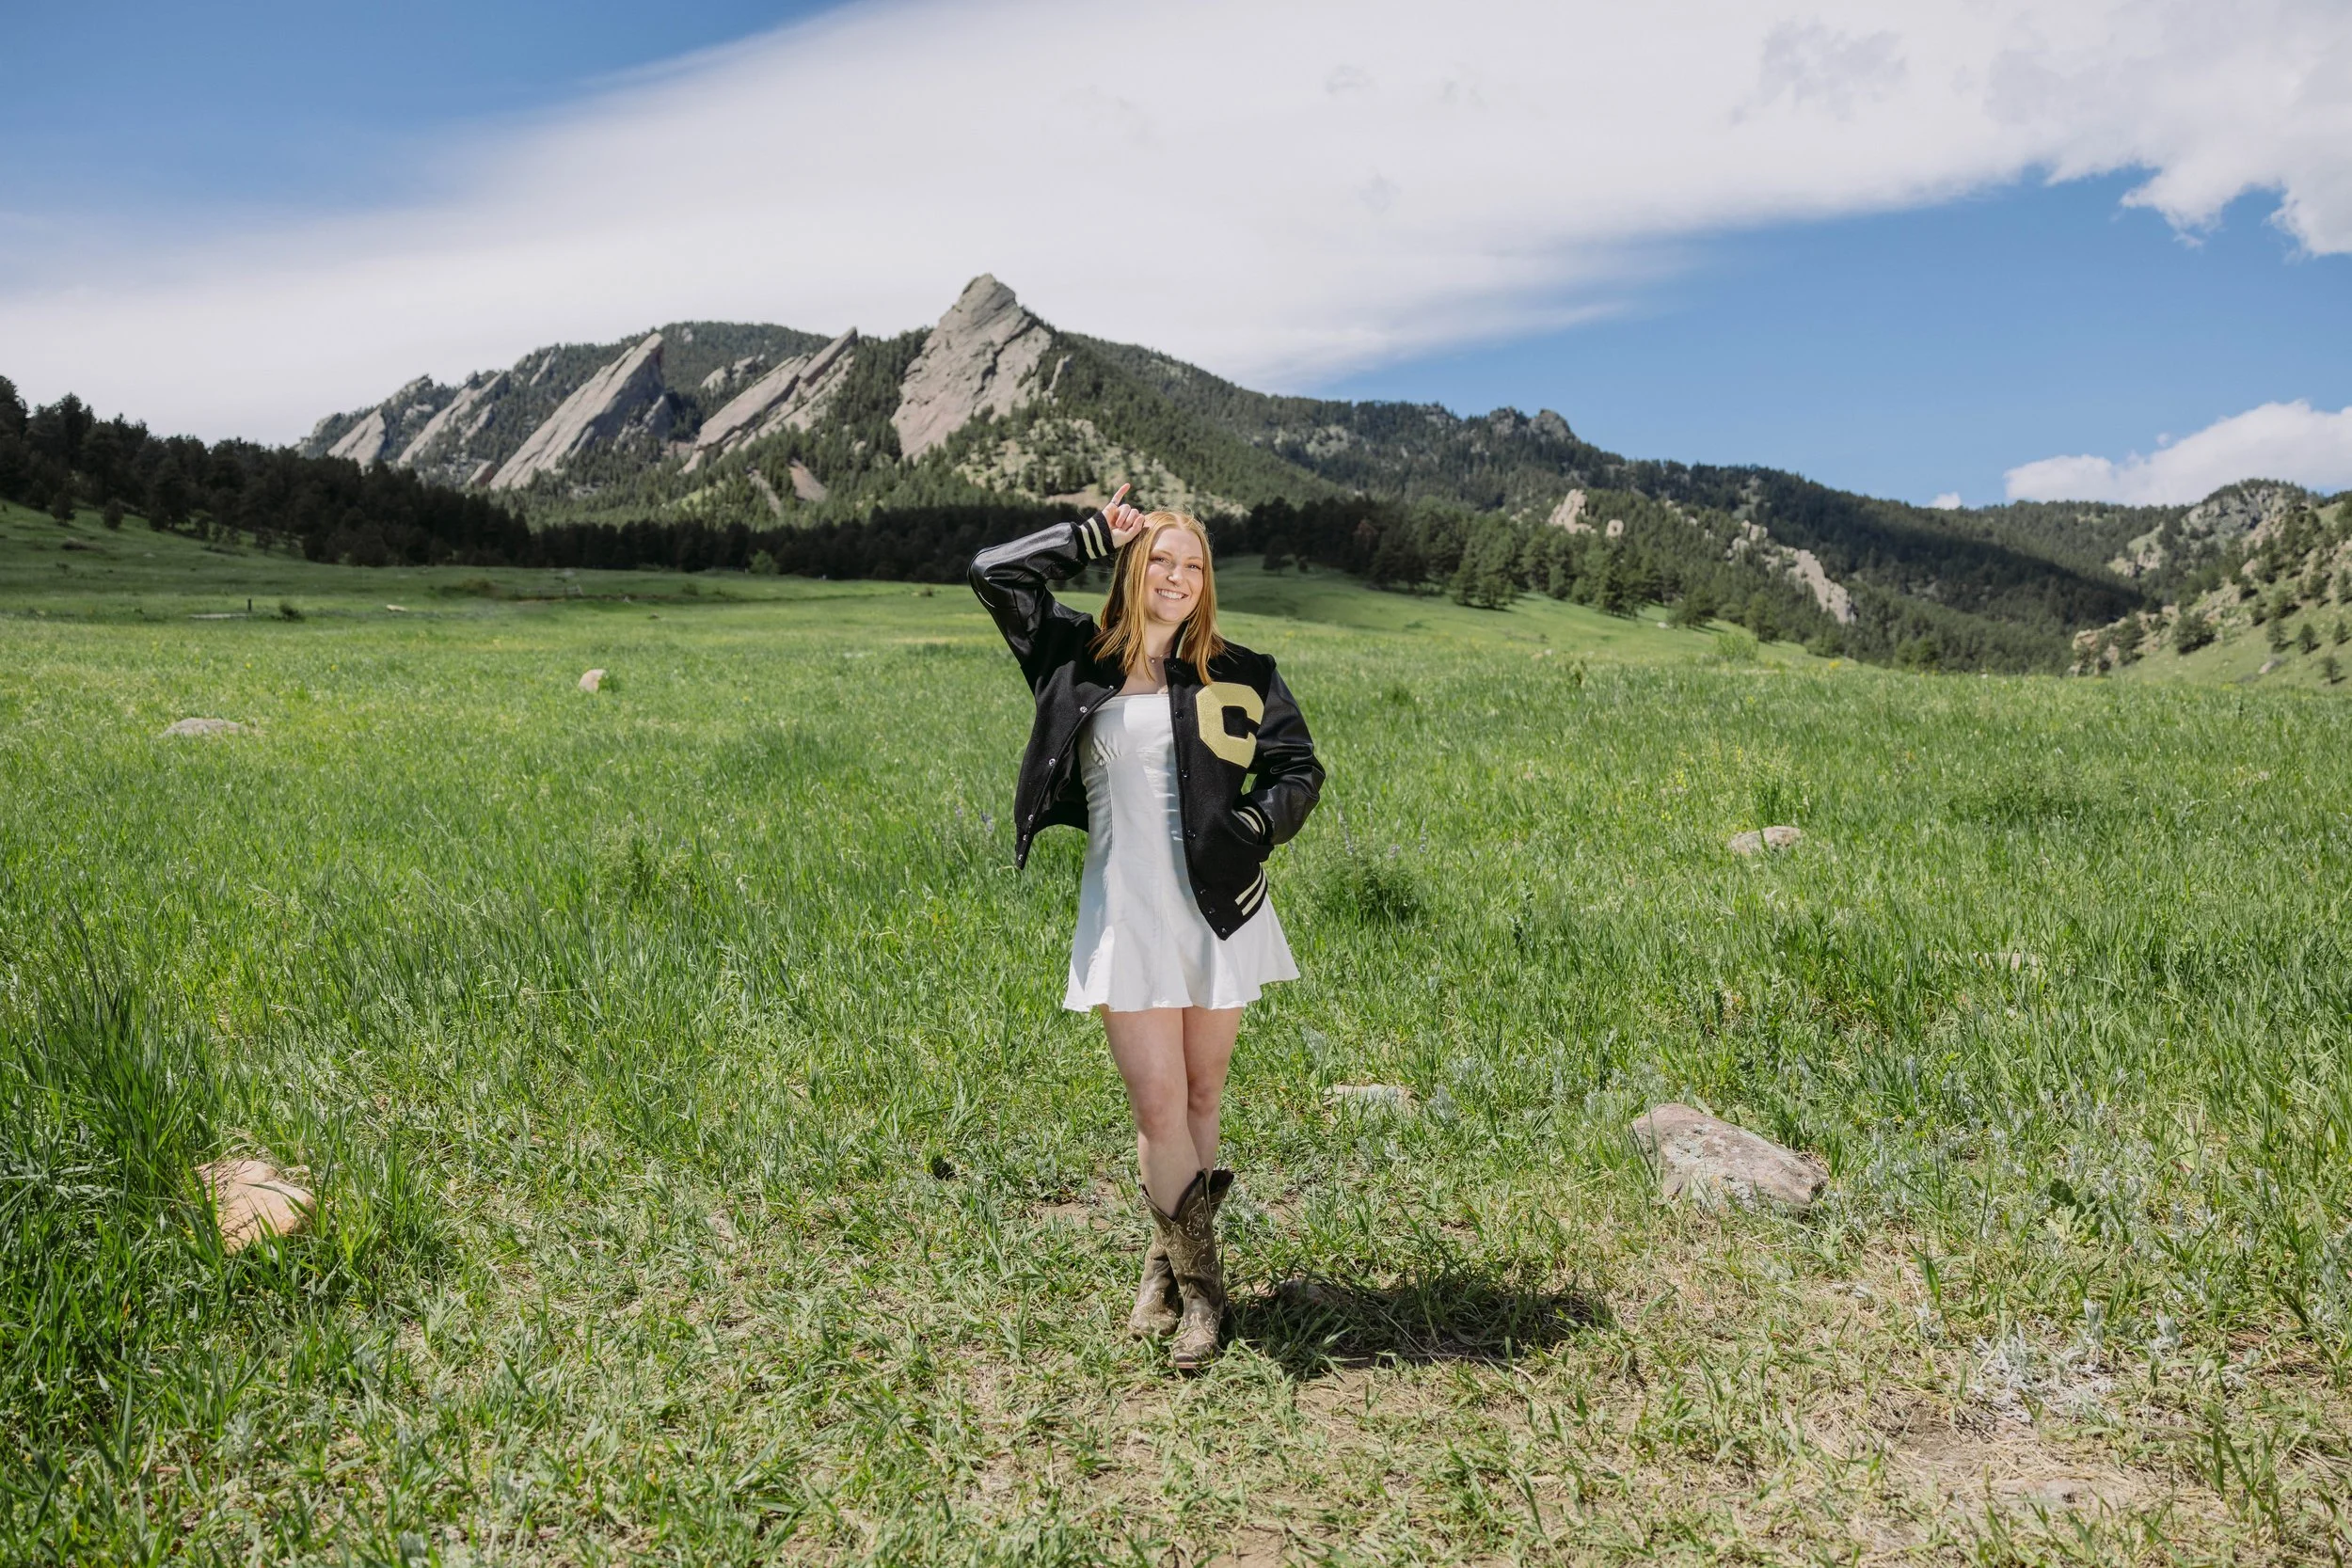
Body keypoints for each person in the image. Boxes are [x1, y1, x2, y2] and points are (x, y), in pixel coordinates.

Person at [970, 486, 1324, 1370]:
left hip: (1219, 913)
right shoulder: (1070, 655)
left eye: (1194, 565)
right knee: (1158, 1105)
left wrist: (1259, 824)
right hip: (1124, 914)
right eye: (1162, 559)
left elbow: (1298, 766)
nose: (1179, 576)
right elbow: (991, 573)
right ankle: (1207, 1294)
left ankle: (1168, 1270)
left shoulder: (1239, 669)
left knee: (1203, 1101)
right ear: (1132, 568)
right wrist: (1087, 534)